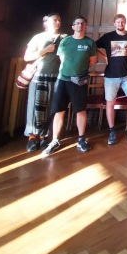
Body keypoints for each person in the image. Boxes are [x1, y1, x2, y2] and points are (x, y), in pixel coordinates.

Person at [41, 16, 97, 157]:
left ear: (86, 27)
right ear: (73, 27)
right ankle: (55, 140)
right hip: (63, 80)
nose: (80, 25)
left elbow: (92, 61)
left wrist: (79, 70)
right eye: (77, 23)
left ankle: (81, 139)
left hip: (79, 81)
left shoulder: (90, 43)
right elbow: (62, 59)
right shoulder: (65, 41)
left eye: (82, 23)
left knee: (80, 110)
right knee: (59, 110)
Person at [96, 14, 127, 145]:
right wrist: (104, 57)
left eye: (123, 22)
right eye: (118, 22)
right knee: (110, 103)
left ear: (125, 23)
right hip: (111, 77)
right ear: (114, 23)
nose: (120, 24)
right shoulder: (108, 37)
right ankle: (112, 131)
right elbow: (93, 46)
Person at [23, 13, 66, 151]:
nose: (58, 22)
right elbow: (27, 57)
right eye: (55, 20)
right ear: (46, 23)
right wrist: (45, 50)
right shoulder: (38, 37)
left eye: (59, 20)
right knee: (34, 106)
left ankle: (44, 137)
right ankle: (32, 137)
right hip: (39, 76)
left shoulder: (64, 38)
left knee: (50, 107)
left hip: (56, 76)